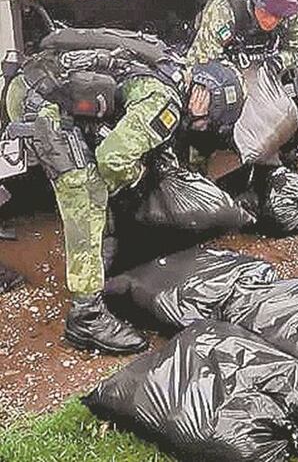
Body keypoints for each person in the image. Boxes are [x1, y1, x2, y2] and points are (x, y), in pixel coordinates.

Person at [4, 30, 244, 354]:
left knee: (108, 168)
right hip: (42, 102)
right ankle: (86, 317)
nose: (201, 128)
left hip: (35, 78)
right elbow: (114, 161)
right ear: (206, 101)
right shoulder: (165, 101)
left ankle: (107, 251)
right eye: (207, 122)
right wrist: (137, 180)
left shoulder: (170, 64)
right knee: (87, 192)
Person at [184, 0, 298, 171]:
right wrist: (234, 80)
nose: (272, 21)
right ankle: (197, 170)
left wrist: (277, 63)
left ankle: (287, 173)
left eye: (279, 17)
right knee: (200, 115)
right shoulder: (224, 10)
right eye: (267, 13)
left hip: (261, 66)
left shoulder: (289, 11)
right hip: (222, 69)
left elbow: (297, 49)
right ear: (254, 0)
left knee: (289, 119)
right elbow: (199, 62)